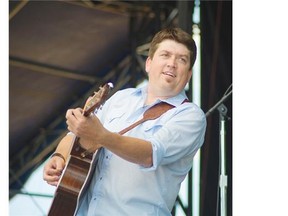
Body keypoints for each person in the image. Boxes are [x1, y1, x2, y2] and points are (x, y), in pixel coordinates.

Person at [43, 27, 206, 216]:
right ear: (148, 63)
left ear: (189, 74)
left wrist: (101, 136)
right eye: (165, 55)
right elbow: (75, 136)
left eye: (181, 59)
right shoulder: (121, 97)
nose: (172, 64)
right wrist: (59, 156)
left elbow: (150, 153)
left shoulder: (190, 116)